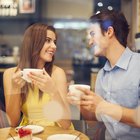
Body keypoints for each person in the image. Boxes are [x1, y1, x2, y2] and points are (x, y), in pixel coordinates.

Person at [67, 9, 140, 139]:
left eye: (93, 34)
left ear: (109, 32)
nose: (90, 42)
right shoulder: (102, 74)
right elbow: (94, 121)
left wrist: (103, 106)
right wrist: (81, 102)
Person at [3, 23, 72, 129]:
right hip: (29, 133)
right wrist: (15, 89)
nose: (54, 46)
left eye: (54, 42)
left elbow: (66, 124)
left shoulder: (57, 73)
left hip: (57, 132)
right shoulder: (10, 75)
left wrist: (52, 91)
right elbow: (12, 122)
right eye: (48, 40)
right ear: (33, 43)